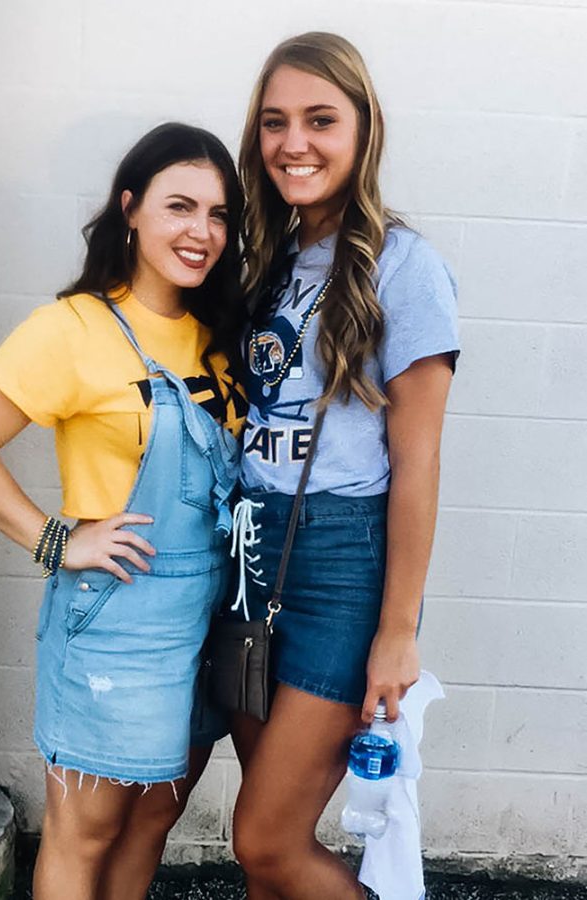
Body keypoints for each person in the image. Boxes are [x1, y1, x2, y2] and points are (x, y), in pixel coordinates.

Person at [0, 122, 248, 900]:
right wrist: (53, 540)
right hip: (117, 623)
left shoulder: (219, 337)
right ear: (129, 209)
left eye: (217, 214)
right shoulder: (71, 329)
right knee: (88, 831)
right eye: (180, 206)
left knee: (150, 824)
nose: (200, 231)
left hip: (206, 615)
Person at [226, 33, 460, 899]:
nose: (295, 143)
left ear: (363, 130)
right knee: (261, 842)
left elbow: (418, 460)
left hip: (340, 565)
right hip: (249, 553)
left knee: (265, 842)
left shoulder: (404, 266)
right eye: (275, 122)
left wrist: (396, 632)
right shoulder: (264, 258)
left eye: (320, 120)